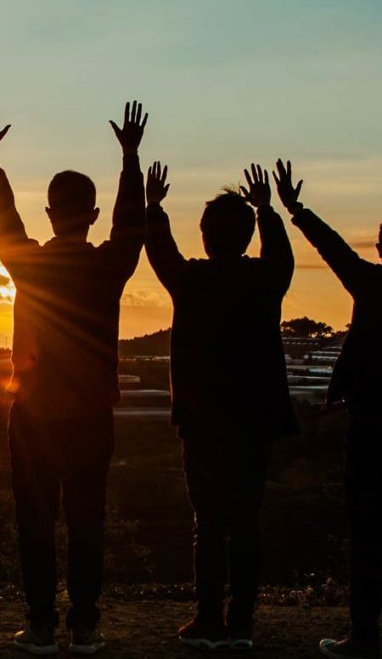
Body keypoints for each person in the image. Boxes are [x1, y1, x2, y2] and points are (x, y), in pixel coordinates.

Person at [0, 100, 147, 655]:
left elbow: (4, 222)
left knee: (35, 522)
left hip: (32, 413)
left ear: (49, 213)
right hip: (92, 414)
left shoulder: (29, 262)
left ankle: (42, 625)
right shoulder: (108, 266)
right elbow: (132, 227)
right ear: (91, 214)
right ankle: (86, 626)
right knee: (87, 521)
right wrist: (130, 159)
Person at [145, 161, 298, 652]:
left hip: (203, 423)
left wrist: (153, 207)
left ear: (206, 236)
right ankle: (242, 624)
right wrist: (268, 211)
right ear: (248, 236)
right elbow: (282, 256)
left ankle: (208, 620)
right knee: (246, 521)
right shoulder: (266, 279)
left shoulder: (191, 281)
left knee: (208, 523)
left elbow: (159, 251)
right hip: (254, 421)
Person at [271, 160, 382, 659]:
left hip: (371, 424)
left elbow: (333, 249)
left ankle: (364, 636)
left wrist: (295, 208)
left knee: (366, 533)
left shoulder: (373, 283)